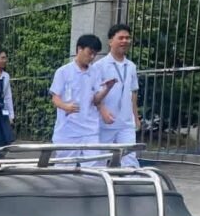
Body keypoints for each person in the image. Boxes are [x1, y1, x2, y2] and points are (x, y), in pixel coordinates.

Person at [49, 34, 117, 167]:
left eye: (95, 54)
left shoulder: (95, 72)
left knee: (94, 166)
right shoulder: (63, 72)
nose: (92, 57)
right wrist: (66, 106)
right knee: (65, 167)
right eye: (90, 53)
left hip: (89, 129)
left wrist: (107, 88)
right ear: (79, 49)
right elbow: (55, 98)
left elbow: (96, 100)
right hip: (68, 129)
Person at [95, 23, 142, 167]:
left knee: (130, 159)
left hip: (126, 123)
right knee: (99, 159)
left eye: (127, 38)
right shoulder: (100, 66)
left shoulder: (131, 66)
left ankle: (131, 180)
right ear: (110, 41)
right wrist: (103, 111)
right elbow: (94, 94)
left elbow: (133, 92)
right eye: (121, 38)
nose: (125, 41)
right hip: (106, 122)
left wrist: (135, 117)